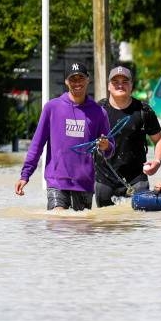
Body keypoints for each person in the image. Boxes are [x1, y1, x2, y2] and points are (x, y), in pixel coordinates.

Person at [14, 61, 111, 211]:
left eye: (81, 78)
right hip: (56, 181)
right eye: (73, 79)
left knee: (82, 230)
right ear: (66, 81)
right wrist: (25, 175)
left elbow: (111, 148)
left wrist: (106, 146)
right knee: (59, 222)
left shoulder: (99, 112)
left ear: (88, 79)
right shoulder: (52, 108)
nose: (77, 83)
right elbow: (37, 144)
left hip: (84, 182)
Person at [95, 65, 161, 206]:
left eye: (125, 81)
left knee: (137, 224)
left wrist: (157, 162)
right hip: (104, 179)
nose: (120, 85)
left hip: (137, 179)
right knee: (103, 224)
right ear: (109, 86)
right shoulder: (98, 110)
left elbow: (160, 139)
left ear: (131, 85)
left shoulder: (143, 111)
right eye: (115, 82)